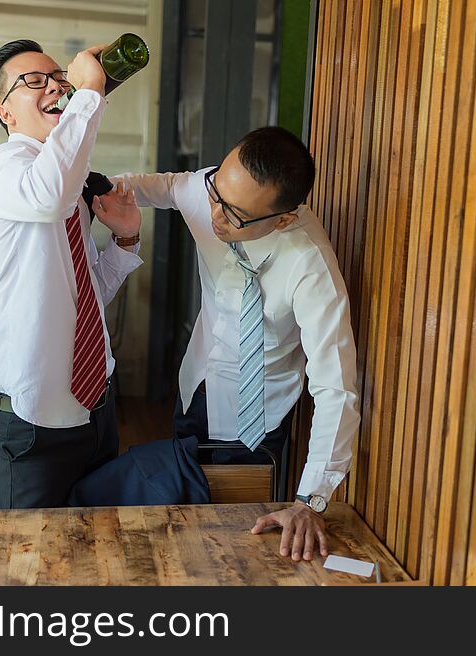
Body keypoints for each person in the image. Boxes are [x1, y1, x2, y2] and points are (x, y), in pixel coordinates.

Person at [110, 126, 359, 561]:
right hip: (194, 388)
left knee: (236, 547)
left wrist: (311, 499)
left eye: (235, 214)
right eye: (214, 194)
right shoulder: (217, 192)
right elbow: (165, 186)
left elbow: (336, 386)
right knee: (180, 526)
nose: (215, 216)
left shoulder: (310, 266)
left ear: (281, 218)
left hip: (255, 423)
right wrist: (80, 190)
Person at [0, 39, 143, 509]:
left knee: (98, 553)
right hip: (33, 422)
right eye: (34, 81)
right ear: (5, 112)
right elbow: (48, 194)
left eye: (59, 78)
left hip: (97, 407)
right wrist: (90, 90)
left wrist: (125, 240)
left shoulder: (67, 181)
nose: (55, 86)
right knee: (28, 569)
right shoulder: (2, 170)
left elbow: (85, 296)